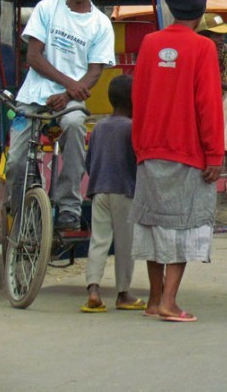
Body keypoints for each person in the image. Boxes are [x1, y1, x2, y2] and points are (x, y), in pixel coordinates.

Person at [130, 0, 224, 323]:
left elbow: (138, 97)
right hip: (188, 153)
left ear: (170, 8)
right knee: (182, 229)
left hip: (150, 149)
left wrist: (139, 145)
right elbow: (208, 105)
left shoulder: (150, 43)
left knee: (154, 224)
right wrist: (215, 154)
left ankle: (154, 299)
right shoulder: (203, 48)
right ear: (200, 12)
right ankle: (169, 302)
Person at [6, 0, 115, 231]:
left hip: (70, 103)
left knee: (75, 128)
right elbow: (33, 56)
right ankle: (18, 209)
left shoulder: (101, 23)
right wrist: (69, 85)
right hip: (33, 95)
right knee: (16, 159)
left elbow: (94, 72)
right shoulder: (46, 8)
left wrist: (67, 96)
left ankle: (69, 207)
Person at [81, 75, 145, 313]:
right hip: (124, 191)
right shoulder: (131, 128)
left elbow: (90, 162)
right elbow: (137, 161)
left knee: (98, 241)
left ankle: (93, 289)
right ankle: (123, 293)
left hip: (99, 190)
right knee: (125, 244)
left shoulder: (99, 127)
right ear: (134, 100)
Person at [196, 13, 227, 175]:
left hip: (221, 106)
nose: (222, 39)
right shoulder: (193, 51)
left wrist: (217, 83)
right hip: (196, 108)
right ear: (203, 36)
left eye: (222, 35)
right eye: (217, 35)